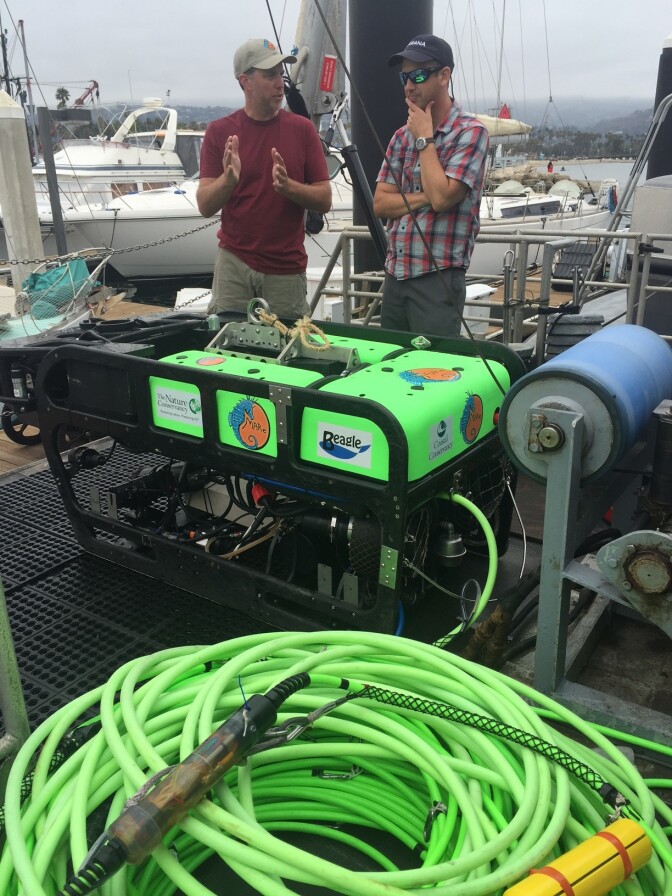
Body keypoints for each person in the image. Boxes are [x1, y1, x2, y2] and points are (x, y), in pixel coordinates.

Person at [197, 38, 332, 319]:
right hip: (234, 263)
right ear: (245, 81)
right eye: (270, 75)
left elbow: (324, 199)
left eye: (280, 75)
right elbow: (205, 206)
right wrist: (228, 181)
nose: (280, 83)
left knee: (287, 354)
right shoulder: (219, 132)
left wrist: (288, 187)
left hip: (285, 268)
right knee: (227, 349)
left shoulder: (303, 130)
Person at [373, 34, 489, 337]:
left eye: (419, 75)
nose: (409, 86)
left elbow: (442, 199)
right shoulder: (401, 136)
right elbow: (381, 203)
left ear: (444, 76)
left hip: (437, 278)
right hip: (395, 276)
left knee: (433, 371)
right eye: (405, 77)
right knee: (392, 367)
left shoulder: (471, 133)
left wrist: (424, 139)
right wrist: (427, 193)